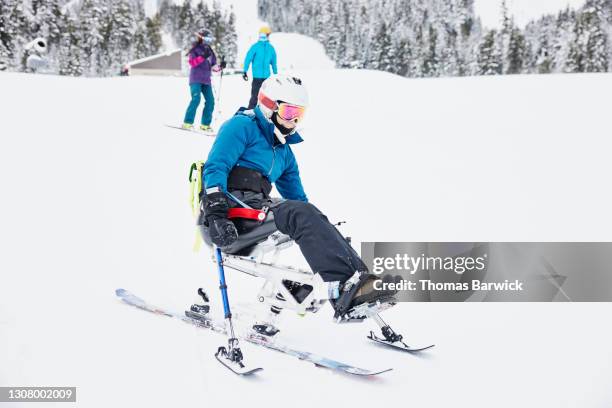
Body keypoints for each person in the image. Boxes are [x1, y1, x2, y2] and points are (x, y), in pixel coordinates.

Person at [198, 75, 394, 320]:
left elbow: (300, 202)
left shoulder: (284, 152)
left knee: (307, 211)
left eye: (299, 113)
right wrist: (216, 214)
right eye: (289, 111)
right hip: (226, 217)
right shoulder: (241, 126)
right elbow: (216, 167)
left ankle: (360, 284)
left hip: (255, 212)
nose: (294, 120)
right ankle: (345, 289)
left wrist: (325, 231)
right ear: (269, 105)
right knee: (299, 212)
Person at [182, 29, 224, 132]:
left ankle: (205, 125)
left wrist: (221, 66)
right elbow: (192, 63)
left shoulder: (210, 50)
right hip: (196, 79)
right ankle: (187, 122)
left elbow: (214, 67)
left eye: (210, 38)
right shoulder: (195, 49)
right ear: (201, 37)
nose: (209, 41)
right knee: (196, 99)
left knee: (210, 101)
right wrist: (202, 57)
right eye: (207, 38)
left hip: (206, 80)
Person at [242, 26, 278, 110]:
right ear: (264, 35)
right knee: (254, 97)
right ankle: (249, 113)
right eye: (268, 34)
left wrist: (276, 74)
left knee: (266, 99)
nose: (269, 36)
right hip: (257, 78)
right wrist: (245, 71)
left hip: (267, 79)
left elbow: (274, 62)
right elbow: (248, 58)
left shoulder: (270, 48)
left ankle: (265, 115)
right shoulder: (255, 47)